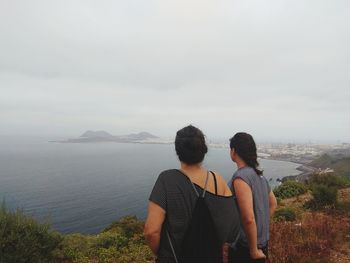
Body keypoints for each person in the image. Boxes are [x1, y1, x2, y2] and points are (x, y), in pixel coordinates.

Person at [144, 125, 240, 263]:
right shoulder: (217, 180)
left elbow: (151, 231)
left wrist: (163, 255)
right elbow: (232, 229)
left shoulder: (167, 179)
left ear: (178, 151)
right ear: (204, 150)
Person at [228, 132, 277, 263]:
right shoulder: (260, 176)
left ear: (234, 151)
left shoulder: (240, 178)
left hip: (246, 249)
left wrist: (253, 249)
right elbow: (273, 203)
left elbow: (248, 218)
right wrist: (262, 226)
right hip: (262, 245)